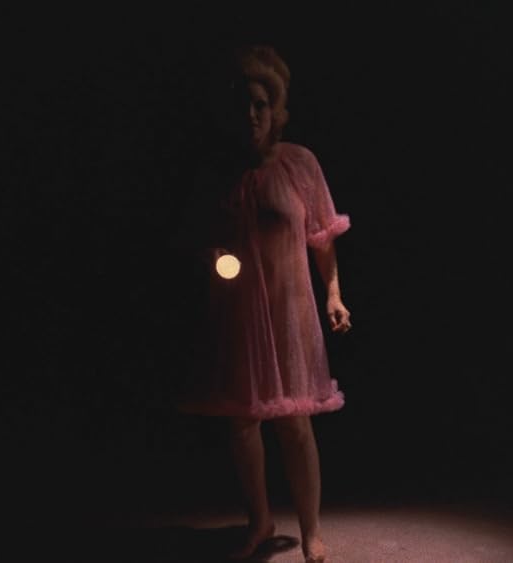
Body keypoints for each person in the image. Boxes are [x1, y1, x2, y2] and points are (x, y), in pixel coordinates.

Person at [177, 45, 352, 563]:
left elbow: (323, 237)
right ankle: (260, 521)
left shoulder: (299, 163)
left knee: (295, 422)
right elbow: (197, 239)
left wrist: (334, 294)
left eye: (260, 104)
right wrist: (212, 257)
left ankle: (311, 531)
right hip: (238, 315)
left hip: (289, 314)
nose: (252, 115)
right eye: (242, 105)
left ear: (276, 110)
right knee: (242, 422)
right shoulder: (215, 174)